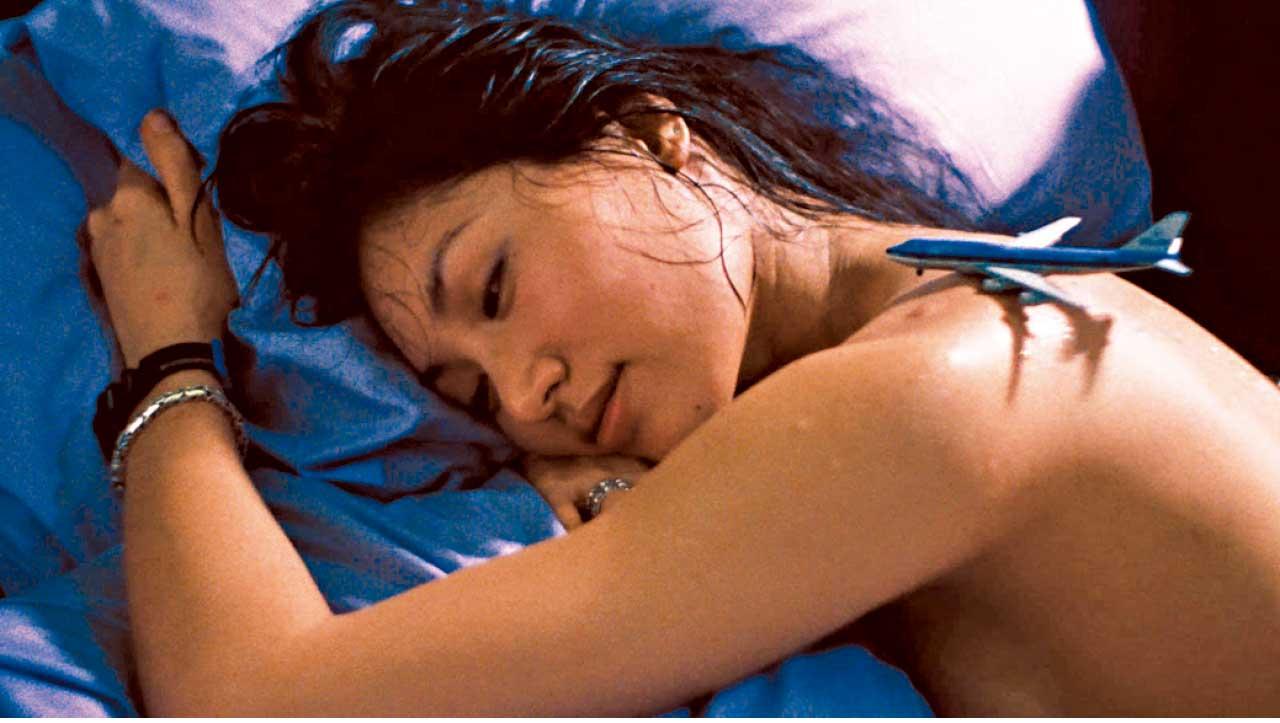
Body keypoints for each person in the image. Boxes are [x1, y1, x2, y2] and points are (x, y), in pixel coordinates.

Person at [82, 0, 1280, 715]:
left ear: (657, 141)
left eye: (493, 289)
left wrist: (168, 358)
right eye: (467, 391)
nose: (525, 395)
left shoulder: (937, 387)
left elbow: (264, 703)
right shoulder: (972, 304)